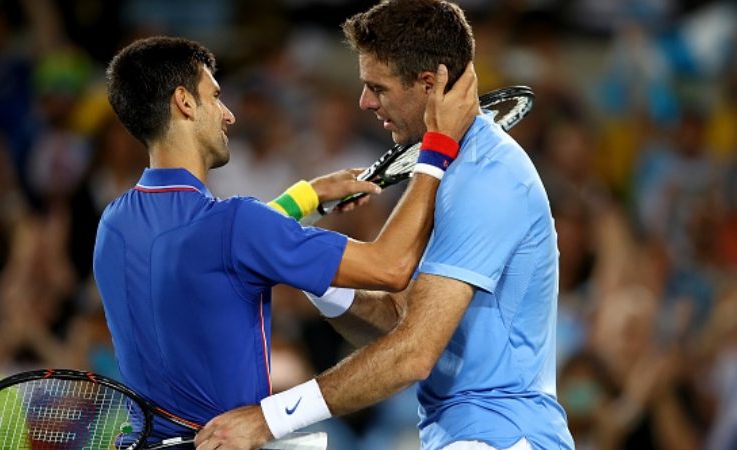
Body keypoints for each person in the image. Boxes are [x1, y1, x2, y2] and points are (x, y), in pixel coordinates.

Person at [196, 1, 574, 449]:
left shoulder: (487, 178)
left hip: (507, 437)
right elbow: (397, 320)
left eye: (378, 87)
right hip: (463, 433)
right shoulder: (447, 168)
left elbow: (414, 352)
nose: (365, 102)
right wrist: (306, 267)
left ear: (428, 84)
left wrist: (269, 419)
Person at [94, 35, 478, 446]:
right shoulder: (234, 225)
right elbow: (390, 266)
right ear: (185, 102)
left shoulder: (115, 223)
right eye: (215, 96)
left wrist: (307, 197)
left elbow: (205, 253)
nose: (228, 116)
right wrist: (437, 148)